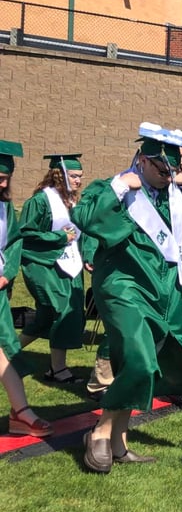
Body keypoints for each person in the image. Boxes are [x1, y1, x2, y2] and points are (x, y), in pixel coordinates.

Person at [72, 122, 182, 472]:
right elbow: (83, 215)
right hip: (123, 287)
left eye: (174, 170)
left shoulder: (173, 194)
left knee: (138, 365)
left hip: (160, 291)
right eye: (163, 169)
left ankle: (118, 442)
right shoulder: (121, 188)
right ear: (142, 159)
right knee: (140, 361)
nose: (168, 176)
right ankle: (98, 432)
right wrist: (118, 186)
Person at [17, 153, 87, 385]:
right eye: (74, 176)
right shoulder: (39, 201)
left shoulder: (74, 202)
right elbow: (25, 234)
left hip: (71, 264)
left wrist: (89, 256)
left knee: (49, 316)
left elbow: (82, 233)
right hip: (44, 263)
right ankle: (58, 370)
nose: (78, 181)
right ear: (59, 175)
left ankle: (7, 353)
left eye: (80, 176)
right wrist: (59, 236)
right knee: (60, 311)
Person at [0, 141, 52, 438]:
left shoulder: (5, 206)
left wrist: (7, 273)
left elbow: (15, 241)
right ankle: (22, 413)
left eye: (6, 178)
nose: (4, 183)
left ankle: (21, 413)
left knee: (5, 346)